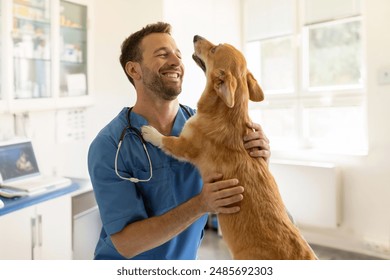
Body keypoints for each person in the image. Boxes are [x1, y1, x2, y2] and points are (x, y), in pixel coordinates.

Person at [87, 22, 271, 260]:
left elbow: (237, 193)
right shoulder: (110, 145)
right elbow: (126, 244)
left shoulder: (209, 129)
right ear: (134, 70)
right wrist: (201, 204)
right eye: (163, 55)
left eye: (178, 55)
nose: (176, 62)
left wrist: (258, 162)